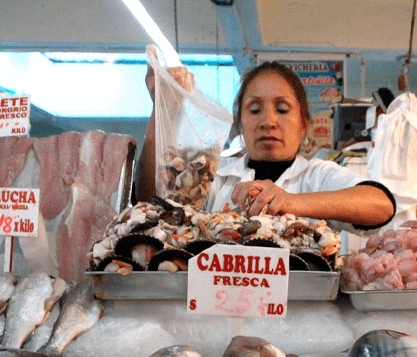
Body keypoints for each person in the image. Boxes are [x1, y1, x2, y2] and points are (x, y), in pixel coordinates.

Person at [139, 61, 396, 232]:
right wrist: (162, 109)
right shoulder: (213, 174)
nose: (268, 122)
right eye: (254, 110)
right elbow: (150, 202)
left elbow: (381, 205)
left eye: (282, 109)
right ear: (239, 122)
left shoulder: (317, 176)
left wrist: (292, 202)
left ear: (304, 124)